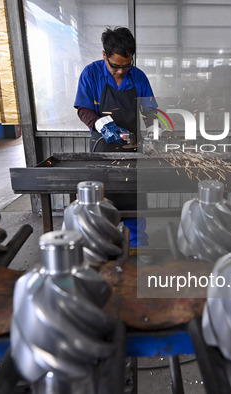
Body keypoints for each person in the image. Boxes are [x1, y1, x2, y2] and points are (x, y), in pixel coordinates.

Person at [74, 27, 158, 247]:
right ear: (104, 55)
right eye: (115, 66)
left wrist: (154, 131)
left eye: (126, 65)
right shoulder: (90, 74)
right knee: (104, 201)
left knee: (134, 198)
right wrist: (101, 124)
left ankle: (137, 246)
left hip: (132, 151)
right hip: (102, 150)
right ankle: (106, 246)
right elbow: (83, 109)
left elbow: (150, 112)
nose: (121, 71)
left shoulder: (138, 77)